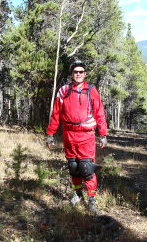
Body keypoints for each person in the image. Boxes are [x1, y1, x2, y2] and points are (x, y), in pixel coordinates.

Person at [46, 60, 107, 213]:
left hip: (86, 136)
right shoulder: (64, 91)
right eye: (75, 72)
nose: (78, 74)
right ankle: (78, 193)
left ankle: (91, 199)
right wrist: (50, 133)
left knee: (86, 168)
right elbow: (56, 114)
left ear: (85, 74)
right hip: (69, 135)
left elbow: (99, 113)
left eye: (81, 71)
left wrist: (103, 134)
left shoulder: (91, 90)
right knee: (73, 167)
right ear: (71, 74)